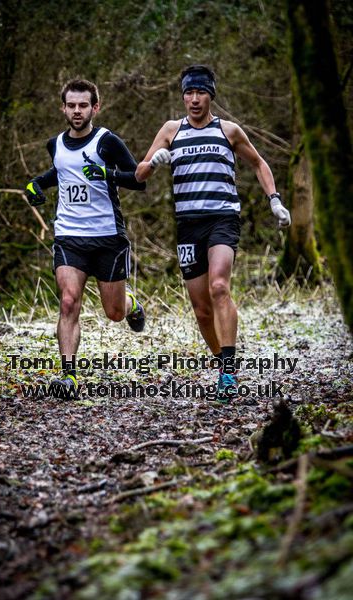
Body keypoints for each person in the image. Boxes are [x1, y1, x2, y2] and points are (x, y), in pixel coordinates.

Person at [135, 65, 290, 401]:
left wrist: (274, 200)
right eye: (189, 93)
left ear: (211, 96)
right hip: (188, 225)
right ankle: (223, 363)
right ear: (183, 96)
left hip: (222, 218)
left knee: (220, 286)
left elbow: (259, 163)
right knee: (201, 308)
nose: (194, 99)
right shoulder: (171, 130)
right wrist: (155, 161)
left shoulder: (229, 131)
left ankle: (228, 373)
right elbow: (139, 174)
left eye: (200, 93)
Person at [25, 78, 146, 396]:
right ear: (63, 108)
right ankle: (68, 377)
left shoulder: (107, 142)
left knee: (114, 313)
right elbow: (61, 171)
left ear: (95, 107)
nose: (77, 111)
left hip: (108, 238)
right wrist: (37, 183)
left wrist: (108, 174)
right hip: (69, 237)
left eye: (83, 105)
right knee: (68, 302)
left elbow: (138, 180)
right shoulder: (55, 145)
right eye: (71, 105)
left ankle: (130, 303)